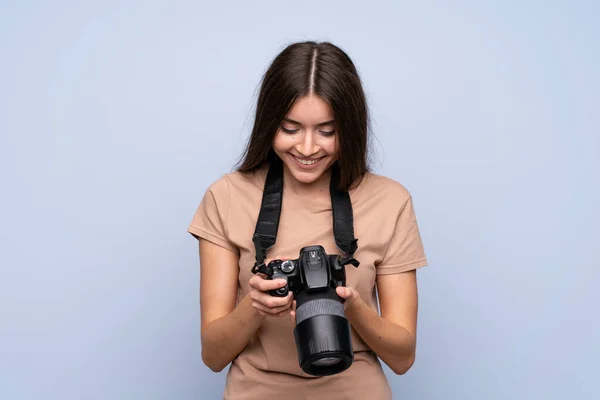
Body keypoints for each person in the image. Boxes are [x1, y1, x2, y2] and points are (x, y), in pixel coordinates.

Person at [188, 41, 428, 400]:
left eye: (327, 131)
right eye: (290, 128)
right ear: (269, 123)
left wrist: (352, 306)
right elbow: (213, 355)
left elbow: (403, 357)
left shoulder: (390, 201)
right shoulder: (226, 197)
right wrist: (254, 306)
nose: (307, 147)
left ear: (349, 127)